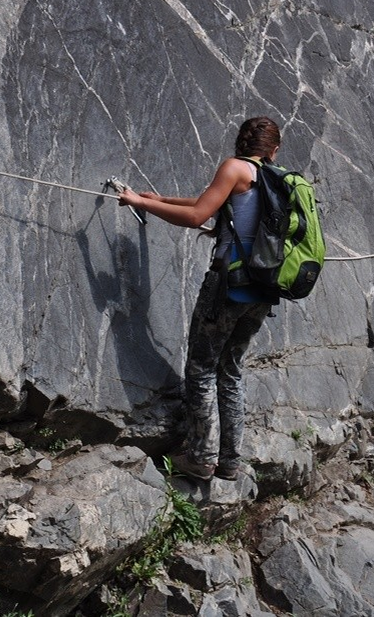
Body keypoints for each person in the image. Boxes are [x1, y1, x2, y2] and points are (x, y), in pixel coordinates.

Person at [118, 116, 281, 481]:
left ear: (240, 143)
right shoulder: (276, 179)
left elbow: (196, 215)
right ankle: (229, 461)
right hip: (263, 288)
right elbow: (209, 201)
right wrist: (159, 200)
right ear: (274, 149)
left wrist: (135, 202)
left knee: (202, 367)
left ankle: (201, 458)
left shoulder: (235, 167)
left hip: (229, 284)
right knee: (231, 370)